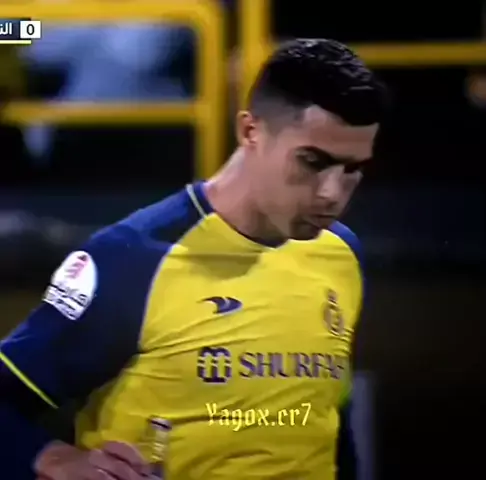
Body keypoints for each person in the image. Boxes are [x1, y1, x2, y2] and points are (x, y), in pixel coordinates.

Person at [0, 38, 388, 480]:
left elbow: (329, 420)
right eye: (313, 162)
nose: (332, 194)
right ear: (251, 132)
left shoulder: (341, 254)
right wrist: (56, 460)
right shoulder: (133, 258)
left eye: (352, 169)